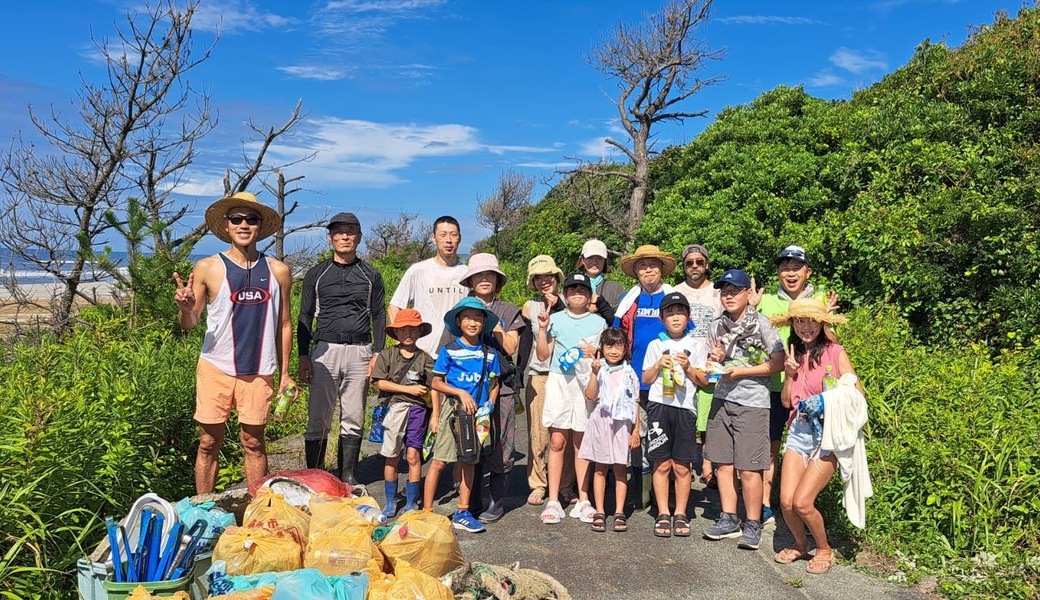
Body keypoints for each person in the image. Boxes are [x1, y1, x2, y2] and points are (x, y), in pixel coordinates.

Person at [173, 191, 294, 494]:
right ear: (226, 226)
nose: (244, 224)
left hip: (259, 368)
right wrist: (186, 309)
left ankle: (256, 507)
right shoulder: (208, 268)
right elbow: (189, 324)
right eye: (236, 218)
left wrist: (285, 373)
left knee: (254, 442)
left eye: (251, 219)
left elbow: (285, 324)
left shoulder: (279, 271)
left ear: (259, 226)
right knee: (208, 442)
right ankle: (204, 506)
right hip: (216, 366)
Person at [769, 298, 867, 574]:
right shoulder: (794, 353)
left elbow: (857, 392)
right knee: (786, 502)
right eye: (799, 321)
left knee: (802, 502)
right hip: (798, 432)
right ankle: (801, 544)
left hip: (827, 433)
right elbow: (788, 403)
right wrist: (789, 374)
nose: (805, 327)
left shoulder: (835, 352)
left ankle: (824, 548)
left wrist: (827, 400)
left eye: (811, 320)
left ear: (822, 323)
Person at [749, 245, 838, 525]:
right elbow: (751, 336)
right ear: (778, 273)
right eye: (785, 267)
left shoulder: (821, 299)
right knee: (771, 447)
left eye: (796, 267)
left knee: (815, 449)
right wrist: (751, 309)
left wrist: (827, 319)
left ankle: (806, 507)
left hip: (813, 394)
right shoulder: (765, 301)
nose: (790, 273)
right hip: (775, 387)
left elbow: (833, 345)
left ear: (807, 271)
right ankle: (765, 503)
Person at [297, 212, 386, 486]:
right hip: (325, 349)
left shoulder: (371, 274)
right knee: (319, 416)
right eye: (339, 232)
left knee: (354, 415)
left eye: (350, 232)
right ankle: (316, 475)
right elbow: (304, 315)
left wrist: (378, 354)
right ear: (330, 238)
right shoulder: (317, 273)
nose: (345, 236)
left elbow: (379, 315)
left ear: (358, 237)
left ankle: (347, 474)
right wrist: (302, 356)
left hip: (360, 350)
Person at [702, 269, 784, 551]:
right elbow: (711, 364)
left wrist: (742, 371)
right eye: (724, 291)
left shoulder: (764, 325)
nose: (728, 295)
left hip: (753, 403)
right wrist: (716, 359)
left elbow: (777, 363)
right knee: (723, 464)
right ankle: (728, 518)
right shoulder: (715, 326)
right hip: (722, 400)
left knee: (750, 468)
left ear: (748, 294)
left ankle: (753, 522)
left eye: (734, 290)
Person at [423, 297, 501, 533]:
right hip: (453, 411)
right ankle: (426, 513)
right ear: (459, 321)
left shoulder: (490, 353)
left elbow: (494, 383)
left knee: (469, 462)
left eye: (478, 317)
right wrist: (459, 392)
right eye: (467, 317)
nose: (473, 322)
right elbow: (436, 382)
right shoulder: (450, 350)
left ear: (484, 323)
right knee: (439, 461)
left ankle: (463, 511)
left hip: (478, 415)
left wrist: (490, 403)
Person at [458, 253, 526, 523]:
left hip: (503, 388)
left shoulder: (509, 310)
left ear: (497, 281)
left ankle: (496, 502)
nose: (484, 279)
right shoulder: (459, 309)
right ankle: (470, 501)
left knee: (501, 445)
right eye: (479, 275)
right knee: (470, 444)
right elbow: (447, 349)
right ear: (471, 281)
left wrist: (491, 318)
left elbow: (510, 347)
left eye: (490, 275)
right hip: (468, 391)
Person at [536, 272, 606, 525]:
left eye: (582, 290)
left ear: (589, 296)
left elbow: (605, 356)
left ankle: (584, 498)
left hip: (585, 382)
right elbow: (543, 356)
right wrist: (542, 330)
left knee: (582, 442)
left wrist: (594, 353)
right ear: (564, 295)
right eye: (572, 289)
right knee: (556, 440)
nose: (577, 293)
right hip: (559, 381)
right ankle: (553, 499)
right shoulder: (554, 318)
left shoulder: (599, 322)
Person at [613, 244, 677, 509]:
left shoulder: (673, 297)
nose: (648, 269)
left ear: (661, 268)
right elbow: (615, 336)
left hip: (669, 381)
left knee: (665, 435)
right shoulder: (630, 300)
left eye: (653, 265)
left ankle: (665, 493)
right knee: (636, 435)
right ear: (635, 271)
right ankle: (640, 494)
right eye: (642, 265)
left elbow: (689, 331)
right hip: (634, 379)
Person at [641, 292, 710, 537]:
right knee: (661, 463)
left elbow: (703, 381)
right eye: (670, 313)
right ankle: (662, 512)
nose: (675, 317)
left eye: (680, 312)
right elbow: (645, 379)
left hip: (685, 410)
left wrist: (688, 367)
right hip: (659, 406)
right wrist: (659, 364)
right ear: (662, 318)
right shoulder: (655, 345)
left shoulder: (697, 345)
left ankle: (680, 512)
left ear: (688, 316)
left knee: (682, 466)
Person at [517, 255, 574, 507]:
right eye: (538, 277)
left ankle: (565, 484)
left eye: (548, 276)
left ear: (557, 277)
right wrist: (519, 374)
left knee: (565, 432)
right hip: (538, 373)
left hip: (567, 373)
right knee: (538, 433)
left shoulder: (572, 301)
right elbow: (524, 344)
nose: (544, 281)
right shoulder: (529, 307)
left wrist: (560, 305)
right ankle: (538, 483)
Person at [372, 309, 435, 518]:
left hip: (418, 410)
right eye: (403, 329)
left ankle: (410, 502)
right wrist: (409, 389)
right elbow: (380, 383)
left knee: (413, 455)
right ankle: (390, 501)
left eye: (413, 329)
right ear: (395, 333)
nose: (408, 333)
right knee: (392, 455)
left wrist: (435, 415)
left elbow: (435, 386)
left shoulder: (425, 358)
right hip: (393, 409)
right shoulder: (387, 355)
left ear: (419, 332)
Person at [579, 327, 640, 533]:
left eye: (619, 346)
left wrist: (635, 430)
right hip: (602, 422)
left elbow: (635, 403)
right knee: (600, 467)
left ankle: (620, 512)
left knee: (621, 468)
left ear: (625, 349)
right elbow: (590, 395)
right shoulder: (600, 369)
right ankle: (600, 511)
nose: (614, 351)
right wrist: (594, 373)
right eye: (609, 346)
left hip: (622, 424)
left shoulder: (629, 372)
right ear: (602, 348)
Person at [673, 244, 723, 486]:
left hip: (710, 363)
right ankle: (683, 462)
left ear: (707, 265)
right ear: (684, 267)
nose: (694, 266)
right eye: (689, 262)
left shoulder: (718, 292)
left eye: (699, 262)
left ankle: (708, 464)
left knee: (708, 416)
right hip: (681, 360)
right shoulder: (675, 291)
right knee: (684, 412)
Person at [388, 216, 468, 357]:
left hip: (459, 353)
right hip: (422, 353)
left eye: (453, 234)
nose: (448, 240)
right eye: (443, 235)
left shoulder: (467, 273)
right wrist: (404, 343)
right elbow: (394, 306)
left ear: (459, 238)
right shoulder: (418, 270)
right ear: (434, 238)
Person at [577, 238, 625, 324]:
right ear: (582, 260)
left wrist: (602, 306)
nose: (594, 262)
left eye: (599, 258)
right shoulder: (573, 285)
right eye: (590, 258)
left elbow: (619, 323)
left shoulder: (615, 288)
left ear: (605, 261)